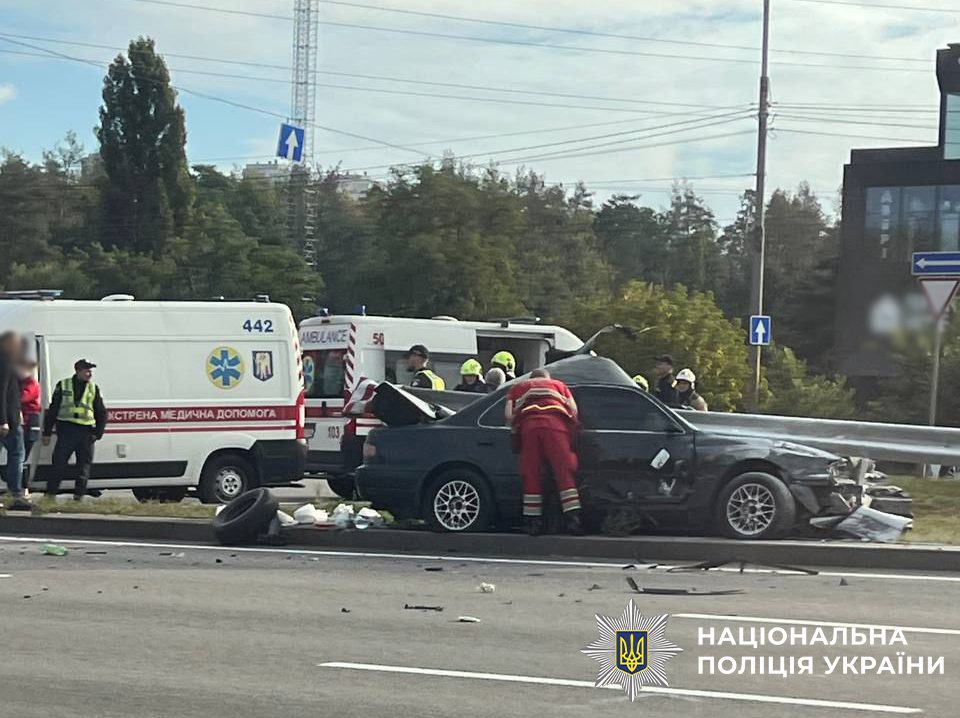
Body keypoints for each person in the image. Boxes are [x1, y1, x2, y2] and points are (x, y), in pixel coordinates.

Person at [505, 368, 583, 537]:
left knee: (531, 473)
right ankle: (573, 520)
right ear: (547, 378)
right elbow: (573, 410)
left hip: (529, 429)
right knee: (564, 473)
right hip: (556, 428)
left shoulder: (517, 387)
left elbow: (509, 416)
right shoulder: (559, 385)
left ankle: (533, 523)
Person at [42, 359, 108, 501]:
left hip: (86, 432)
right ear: (78, 371)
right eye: (87, 371)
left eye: (91, 371)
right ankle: (50, 495)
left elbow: (101, 412)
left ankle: (78, 497)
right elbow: (53, 410)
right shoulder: (63, 385)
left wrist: (98, 433)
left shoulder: (93, 388)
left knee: (83, 467)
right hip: (67, 430)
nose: (90, 374)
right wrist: (47, 432)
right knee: (58, 464)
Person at [0, 331, 28, 510]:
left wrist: (18, 412)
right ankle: (15, 493)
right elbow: (2, 391)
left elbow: (12, 392)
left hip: (11, 417)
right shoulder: (5, 362)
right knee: (17, 454)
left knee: (17, 454)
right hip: (6, 420)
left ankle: (15, 493)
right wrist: (3, 419)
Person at [18, 352, 41, 495]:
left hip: (30, 420)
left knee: (22, 456)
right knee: (19, 456)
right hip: (23, 420)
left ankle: (23, 489)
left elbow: (22, 398)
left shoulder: (31, 382)